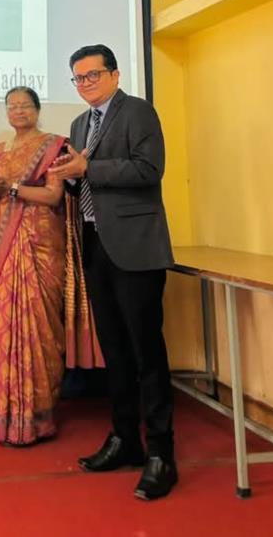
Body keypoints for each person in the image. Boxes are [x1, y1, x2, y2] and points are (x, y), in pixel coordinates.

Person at [50, 44, 177, 500]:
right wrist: (70, 176)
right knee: (115, 351)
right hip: (95, 245)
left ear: (115, 75)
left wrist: (88, 167)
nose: (86, 84)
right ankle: (125, 439)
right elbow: (83, 182)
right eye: (78, 78)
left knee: (146, 352)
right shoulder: (78, 124)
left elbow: (149, 169)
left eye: (93, 75)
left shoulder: (138, 112)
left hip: (136, 246)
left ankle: (162, 452)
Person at [0, 87, 93, 446]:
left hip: (39, 243)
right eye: (12, 106)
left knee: (40, 327)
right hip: (3, 243)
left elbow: (53, 195)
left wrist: (12, 188)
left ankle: (38, 416)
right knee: (5, 325)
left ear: (37, 109)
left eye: (25, 106)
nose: (18, 111)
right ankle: (3, 416)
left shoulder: (54, 146)